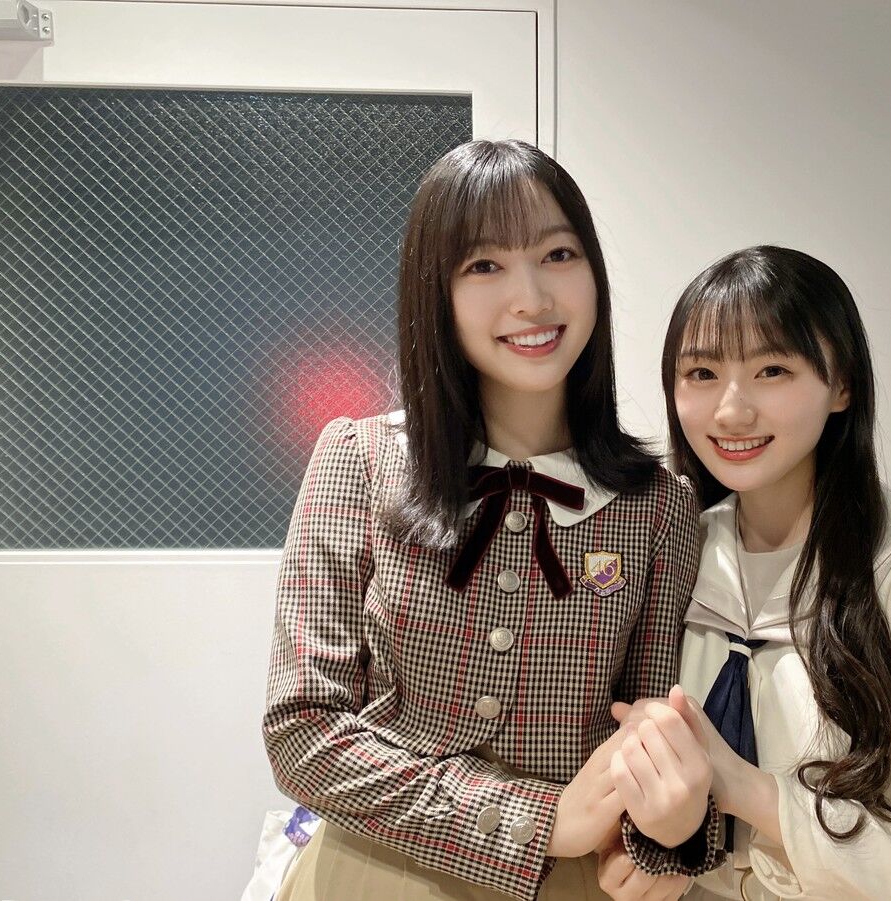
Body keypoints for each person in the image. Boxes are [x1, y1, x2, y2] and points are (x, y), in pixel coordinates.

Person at [263, 140, 714, 901]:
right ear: (434, 291)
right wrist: (535, 822)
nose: (531, 298)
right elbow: (301, 729)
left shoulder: (658, 504)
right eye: (484, 265)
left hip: (571, 886)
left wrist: (662, 845)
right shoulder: (359, 460)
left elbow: (652, 726)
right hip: (373, 875)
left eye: (558, 254)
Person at [600, 246, 891, 899]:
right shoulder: (676, 549)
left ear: (841, 384)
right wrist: (640, 853)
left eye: (772, 370)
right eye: (702, 372)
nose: (731, 411)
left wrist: (747, 790)